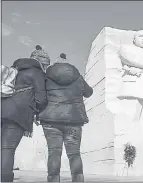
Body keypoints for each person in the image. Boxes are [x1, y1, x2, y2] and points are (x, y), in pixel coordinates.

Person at [39, 53, 93, 182]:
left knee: (54, 152)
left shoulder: (46, 76)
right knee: (74, 153)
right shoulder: (77, 77)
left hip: (50, 120)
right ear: (68, 64)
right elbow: (89, 92)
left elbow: (40, 95)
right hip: (73, 120)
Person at [1, 45, 50, 182]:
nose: (45, 68)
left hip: (2, 109)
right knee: (7, 148)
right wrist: (38, 111)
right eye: (46, 65)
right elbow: (41, 98)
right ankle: (4, 179)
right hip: (17, 114)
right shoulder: (37, 72)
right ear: (42, 62)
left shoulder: (14, 70)